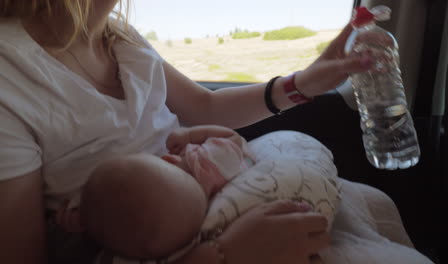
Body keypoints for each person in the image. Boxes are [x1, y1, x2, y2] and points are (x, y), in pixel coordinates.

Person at [0, 1, 418, 264]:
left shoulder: (119, 36)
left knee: (373, 202)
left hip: (210, 192)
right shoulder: (10, 75)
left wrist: (304, 82)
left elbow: (206, 106)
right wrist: (221, 255)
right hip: (157, 242)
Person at [56, 125, 256, 260]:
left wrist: (81, 219)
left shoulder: (167, 232)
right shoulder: (209, 163)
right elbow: (232, 136)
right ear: (168, 159)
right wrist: (189, 135)